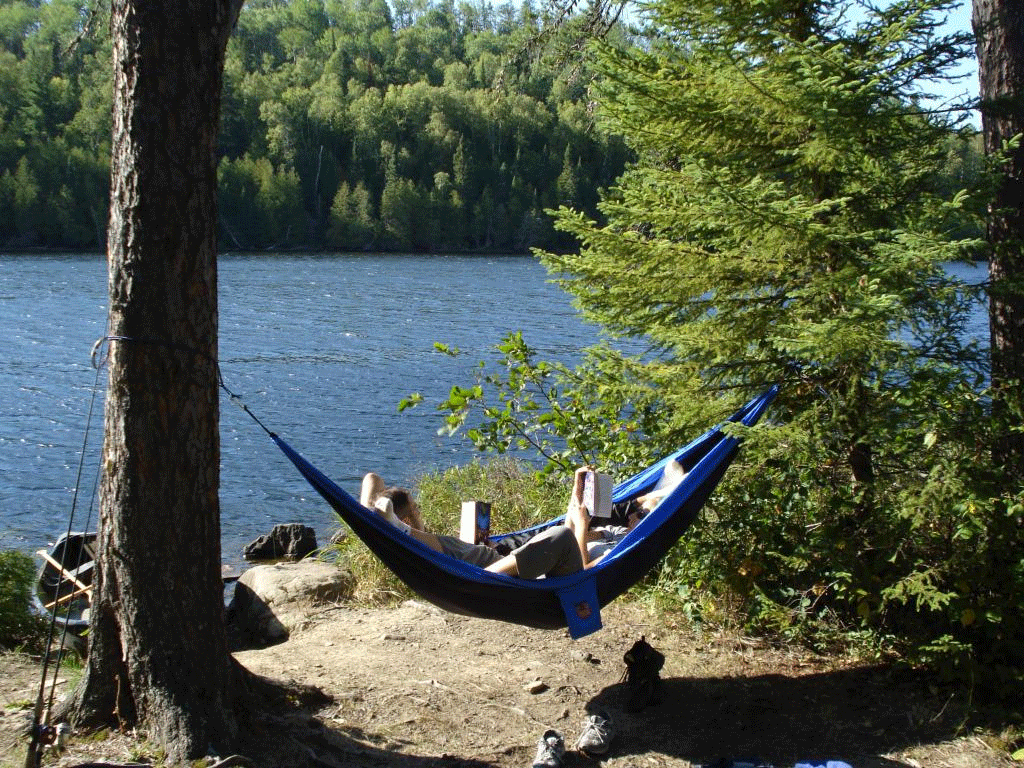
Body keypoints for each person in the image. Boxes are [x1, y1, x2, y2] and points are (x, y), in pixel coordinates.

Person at [359, 460, 686, 579]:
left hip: (509, 569)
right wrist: (579, 490)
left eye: (643, 515)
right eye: (640, 510)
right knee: (374, 479)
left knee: (561, 535)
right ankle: (386, 521)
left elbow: (587, 573)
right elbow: (575, 523)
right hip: (498, 555)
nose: (637, 516)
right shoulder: (612, 527)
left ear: (640, 525)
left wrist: (584, 529)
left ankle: (478, 578)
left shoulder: (622, 544)